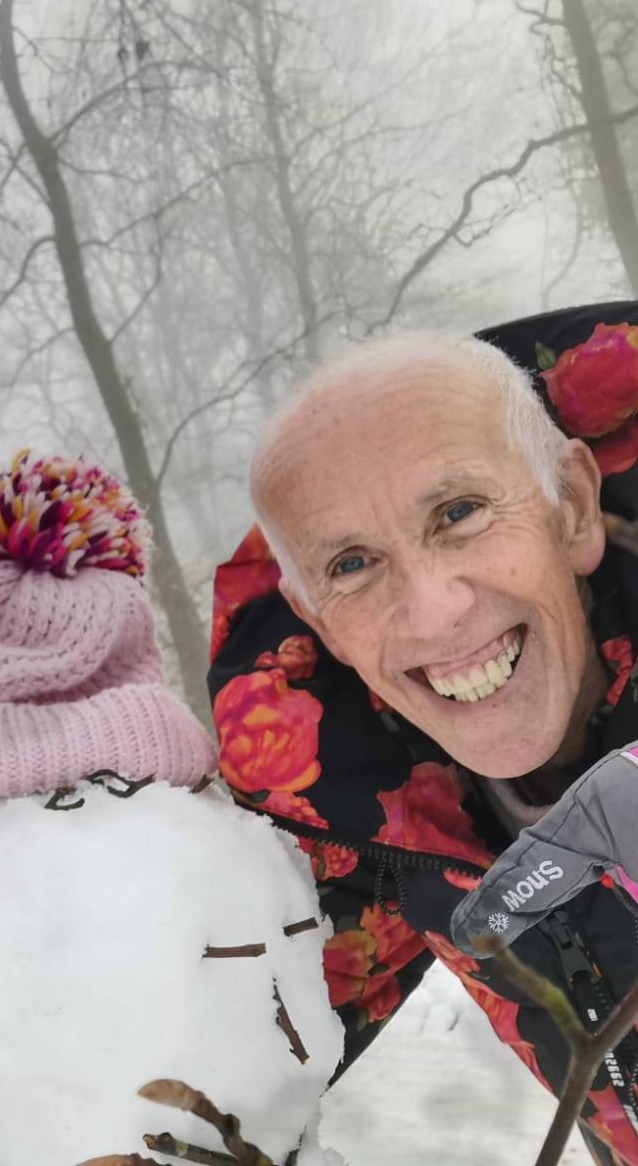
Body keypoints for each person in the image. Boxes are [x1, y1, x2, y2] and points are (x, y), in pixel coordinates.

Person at [209, 303, 638, 1165]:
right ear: (318, 625)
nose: (434, 611)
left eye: (460, 511)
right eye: (352, 564)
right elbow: (206, 1085)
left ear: (572, 508)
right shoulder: (375, 824)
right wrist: (64, 815)